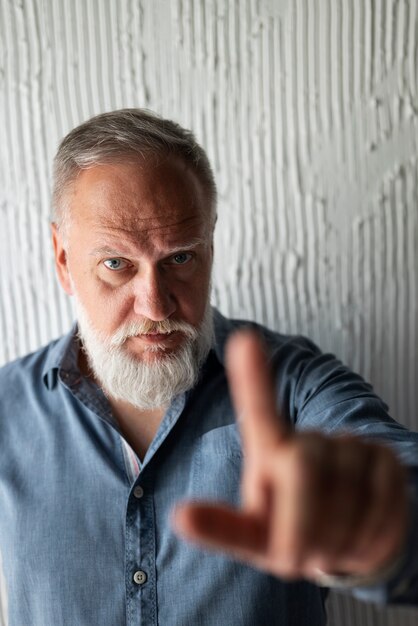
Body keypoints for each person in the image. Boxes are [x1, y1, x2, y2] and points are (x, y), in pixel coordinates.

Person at [0, 109, 417, 626]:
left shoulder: (296, 387)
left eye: (179, 258)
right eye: (116, 264)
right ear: (63, 259)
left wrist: (372, 526)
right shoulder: (6, 412)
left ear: (210, 246)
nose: (155, 305)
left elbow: (399, 478)